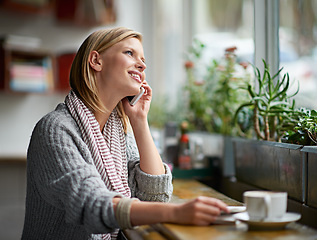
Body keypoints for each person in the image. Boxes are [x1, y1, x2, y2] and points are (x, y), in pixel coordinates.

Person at [22, 27, 229, 240]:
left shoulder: (118, 132)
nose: (142, 64)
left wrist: (139, 121)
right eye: (130, 53)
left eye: (143, 59)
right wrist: (177, 213)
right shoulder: (55, 130)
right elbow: (93, 204)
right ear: (96, 61)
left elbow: (155, 196)